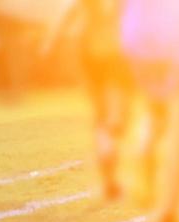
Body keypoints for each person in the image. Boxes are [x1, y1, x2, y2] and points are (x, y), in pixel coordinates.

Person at [120, 0, 179, 222]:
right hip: (176, 31)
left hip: (138, 35)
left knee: (156, 112)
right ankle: (169, 213)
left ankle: (144, 153)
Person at [43, 0, 134, 201]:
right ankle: (111, 137)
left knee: (101, 115)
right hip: (114, 52)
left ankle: (108, 168)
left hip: (91, 52)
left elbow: (69, 12)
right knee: (118, 115)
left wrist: (52, 42)